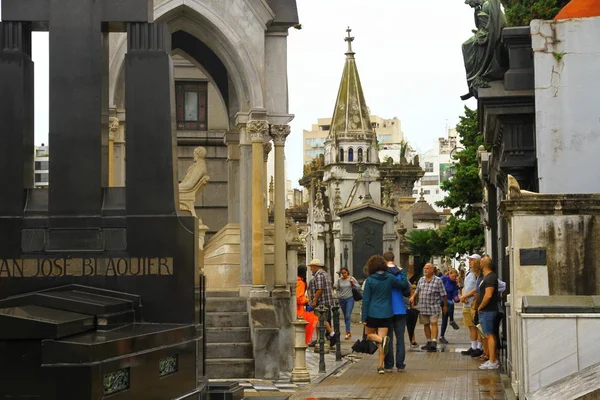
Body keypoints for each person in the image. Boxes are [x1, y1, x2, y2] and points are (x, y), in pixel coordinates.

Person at [361, 255, 405, 374]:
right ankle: (380, 366)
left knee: (369, 335)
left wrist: (363, 317)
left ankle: (382, 341)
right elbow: (403, 285)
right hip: (386, 312)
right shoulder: (390, 277)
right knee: (382, 343)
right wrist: (402, 272)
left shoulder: (370, 280)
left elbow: (366, 300)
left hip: (372, 312)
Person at [409, 263, 447, 352]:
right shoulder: (421, 280)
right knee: (426, 324)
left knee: (433, 323)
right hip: (423, 306)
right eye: (424, 268)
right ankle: (429, 341)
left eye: (427, 268)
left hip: (434, 306)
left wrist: (445, 306)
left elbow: (444, 294)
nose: (425, 270)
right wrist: (413, 296)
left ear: (432, 270)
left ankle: (434, 341)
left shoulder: (438, 280)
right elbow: (417, 290)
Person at [382, 252, 410, 372]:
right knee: (400, 339)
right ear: (394, 259)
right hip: (400, 308)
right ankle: (400, 364)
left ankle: (388, 365)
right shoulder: (401, 273)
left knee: (388, 338)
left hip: (387, 309)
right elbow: (406, 289)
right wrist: (402, 272)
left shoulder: (382, 273)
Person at [307, 259, 337, 346]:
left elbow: (320, 289)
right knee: (319, 320)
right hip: (325, 300)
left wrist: (314, 300)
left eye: (311, 267)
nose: (310, 269)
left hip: (322, 301)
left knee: (321, 319)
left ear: (315, 266)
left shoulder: (319, 275)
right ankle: (319, 339)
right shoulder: (325, 274)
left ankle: (332, 334)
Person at [477, 256, 499, 370]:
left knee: (489, 335)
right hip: (486, 311)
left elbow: (488, 294)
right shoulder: (487, 277)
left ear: (483, 265)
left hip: (488, 310)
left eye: (480, 262)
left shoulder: (490, 277)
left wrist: (480, 307)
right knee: (487, 334)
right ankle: (491, 359)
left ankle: (492, 360)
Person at [460, 254, 483, 357]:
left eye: (472, 260)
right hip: (466, 303)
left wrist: (466, 295)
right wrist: (463, 296)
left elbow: (477, 288)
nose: (470, 262)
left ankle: (479, 347)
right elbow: (465, 286)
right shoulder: (469, 273)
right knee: (470, 326)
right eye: (469, 260)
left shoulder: (478, 274)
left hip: (474, 304)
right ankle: (473, 346)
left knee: (477, 326)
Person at [296, 264, 319, 344]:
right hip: (299, 310)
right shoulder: (300, 283)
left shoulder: (297, 281)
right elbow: (298, 298)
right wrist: (306, 299)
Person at [336, 267, 359, 340]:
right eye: (342, 273)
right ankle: (348, 330)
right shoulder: (339, 280)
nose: (343, 274)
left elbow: (358, 287)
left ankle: (347, 332)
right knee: (346, 316)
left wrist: (353, 283)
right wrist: (338, 295)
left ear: (347, 272)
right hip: (342, 299)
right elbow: (337, 289)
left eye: (345, 273)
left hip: (350, 298)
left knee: (348, 315)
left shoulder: (351, 279)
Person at [439, 269, 460, 344]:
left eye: (455, 277)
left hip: (448, 301)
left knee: (445, 318)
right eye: (453, 276)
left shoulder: (454, 283)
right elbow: (438, 284)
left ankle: (441, 336)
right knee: (451, 304)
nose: (454, 278)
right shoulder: (444, 279)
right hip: (441, 298)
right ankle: (451, 320)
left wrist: (456, 298)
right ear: (449, 274)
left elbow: (455, 293)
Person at [406, 282, 419, 348]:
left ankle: (412, 340)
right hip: (397, 305)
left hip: (406, 305)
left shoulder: (405, 280)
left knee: (410, 324)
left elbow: (411, 292)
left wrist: (412, 305)